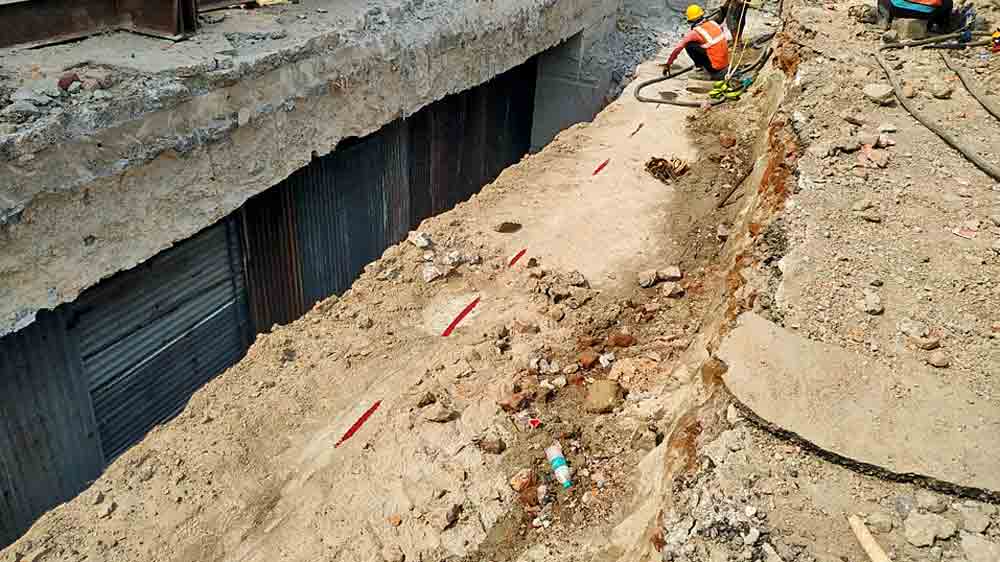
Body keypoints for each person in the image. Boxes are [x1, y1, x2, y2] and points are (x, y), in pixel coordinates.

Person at [665, 4, 732, 80]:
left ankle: (702, 69)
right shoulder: (713, 23)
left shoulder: (695, 32)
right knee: (707, 44)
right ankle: (707, 67)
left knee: (689, 45)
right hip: (725, 63)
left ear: (691, 20)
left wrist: (668, 64)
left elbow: (678, 48)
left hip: (715, 68)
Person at [877, 0, 953, 33]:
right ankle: (942, 25)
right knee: (947, 3)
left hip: (897, 8)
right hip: (927, 11)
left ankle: (886, 19)